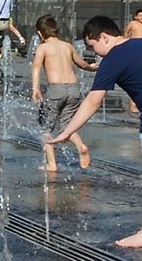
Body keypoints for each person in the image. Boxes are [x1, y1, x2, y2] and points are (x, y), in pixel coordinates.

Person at [49, 15, 142, 248]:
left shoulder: (114, 57)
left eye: (92, 46)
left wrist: (68, 131)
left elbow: (93, 101)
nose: (95, 53)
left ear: (103, 37)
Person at [30, 15, 95, 172]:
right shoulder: (68, 46)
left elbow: (36, 67)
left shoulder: (43, 48)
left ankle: (52, 164)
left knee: (45, 128)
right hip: (73, 89)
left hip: (56, 89)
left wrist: (35, 88)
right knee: (67, 125)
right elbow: (83, 64)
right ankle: (80, 146)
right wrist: (94, 67)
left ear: (40, 33)